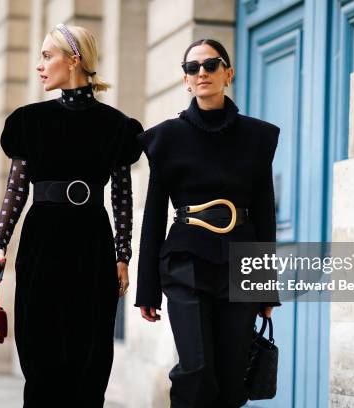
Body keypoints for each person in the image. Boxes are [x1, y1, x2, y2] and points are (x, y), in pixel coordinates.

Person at [0, 23, 142, 407]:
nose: (39, 65)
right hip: (41, 245)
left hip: (92, 245)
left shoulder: (117, 126)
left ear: (74, 60)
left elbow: (122, 195)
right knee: (39, 354)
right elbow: (16, 190)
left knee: (91, 356)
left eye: (46, 55)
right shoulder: (29, 121)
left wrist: (123, 255)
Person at [134, 38, 282, 407]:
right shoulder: (166, 138)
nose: (202, 72)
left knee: (231, 380)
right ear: (185, 79)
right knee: (196, 371)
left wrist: (266, 289)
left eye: (211, 65)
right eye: (192, 67)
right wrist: (147, 290)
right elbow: (153, 216)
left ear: (227, 73)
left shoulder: (258, 137)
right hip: (185, 261)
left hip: (240, 262)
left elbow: (265, 213)